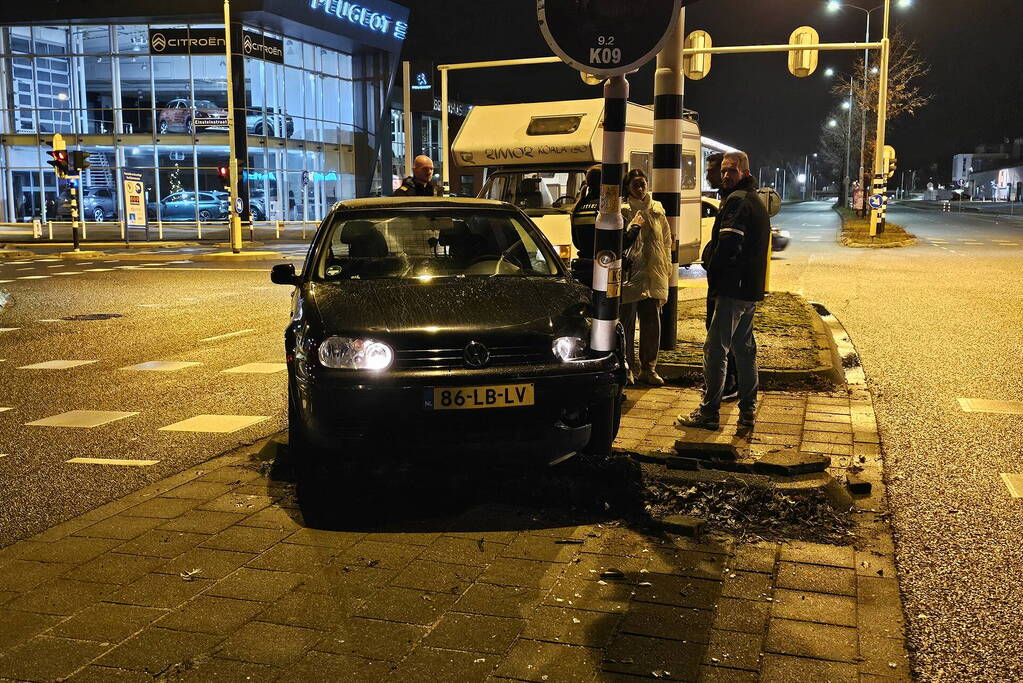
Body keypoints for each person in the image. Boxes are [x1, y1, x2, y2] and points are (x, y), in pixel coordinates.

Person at [679, 150, 770, 430]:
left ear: (744, 171)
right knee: (744, 349)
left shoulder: (737, 201)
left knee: (715, 350)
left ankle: (709, 413)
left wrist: (713, 269)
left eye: (732, 170)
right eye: (724, 170)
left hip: (732, 289)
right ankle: (747, 412)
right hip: (749, 289)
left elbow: (729, 244)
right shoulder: (754, 199)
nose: (726, 175)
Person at [619, 169, 672, 386]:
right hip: (631, 275)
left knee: (652, 323)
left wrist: (666, 266)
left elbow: (666, 240)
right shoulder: (623, 210)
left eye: (643, 184)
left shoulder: (657, 209)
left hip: (653, 272)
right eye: (635, 185)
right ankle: (628, 366)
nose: (640, 189)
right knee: (627, 324)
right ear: (628, 187)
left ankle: (649, 368)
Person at [703, 152, 739, 402]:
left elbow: (727, 245)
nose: (709, 175)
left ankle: (722, 390)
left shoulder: (733, 202)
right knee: (733, 340)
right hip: (723, 284)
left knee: (719, 342)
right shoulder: (726, 199)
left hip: (724, 286)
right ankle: (731, 385)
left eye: (712, 170)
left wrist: (711, 264)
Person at [569, 164, 601, 286]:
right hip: (601, 266)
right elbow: (618, 242)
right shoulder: (603, 208)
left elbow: (577, 243)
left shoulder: (578, 208)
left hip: (583, 266)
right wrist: (636, 227)